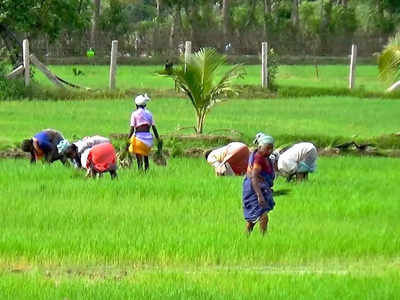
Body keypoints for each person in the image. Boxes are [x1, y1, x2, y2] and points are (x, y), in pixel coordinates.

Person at [242, 133, 275, 235]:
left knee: (253, 218)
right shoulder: (258, 159)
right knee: (263, 216)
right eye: (267, 148)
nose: (270, 151)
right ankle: (263, 239)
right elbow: (254, 177)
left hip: (260, 189)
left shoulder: (266, 158)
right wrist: (259, 195)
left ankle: (245, 237)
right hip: (253, 189)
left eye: (271, 148)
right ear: (260, 147)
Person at [128, 93, 160, 171]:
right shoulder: (149, 113)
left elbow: (132, 129)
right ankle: (147, 171)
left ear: (136, 105)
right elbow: (154, 128)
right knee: (146, 158)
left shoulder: (134, 114)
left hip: (139, 139)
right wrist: (158, 139)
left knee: (139, 159)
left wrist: (127, 140)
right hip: (148, 140)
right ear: (145, 105)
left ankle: (140, 171)